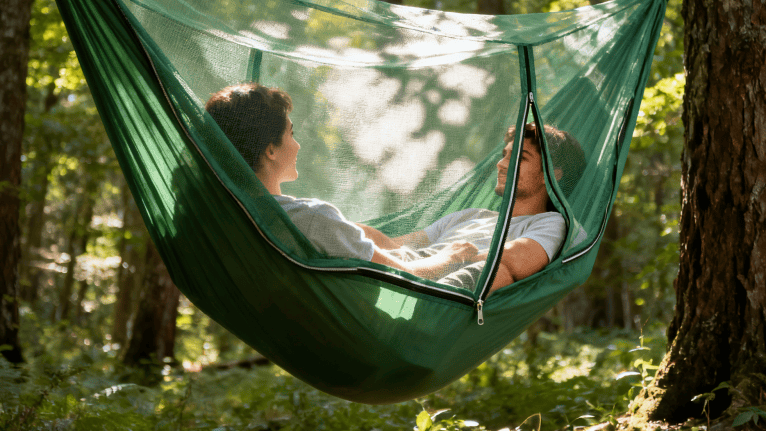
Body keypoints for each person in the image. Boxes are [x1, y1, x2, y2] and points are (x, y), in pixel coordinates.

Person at [205, 83, 479, 280]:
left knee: (369, 232)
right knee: (492, 245)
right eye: (291, 134)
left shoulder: (222, 216)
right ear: (271, 150)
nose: (298, 145)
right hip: (408, 290)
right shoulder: (311, 218)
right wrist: (453, 256)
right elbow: (407, 275)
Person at [359, 123, 587, 292]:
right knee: (347, 231)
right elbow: (398, 246)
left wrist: (449, 259)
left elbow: (518, 261)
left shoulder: (553, 223)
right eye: (504, 155)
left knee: (498, 271)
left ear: (552, 175)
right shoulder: (471, 216)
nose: (501, 164)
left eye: (519, 157)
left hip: (433, 293)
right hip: (400, 268)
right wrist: (359, 232)